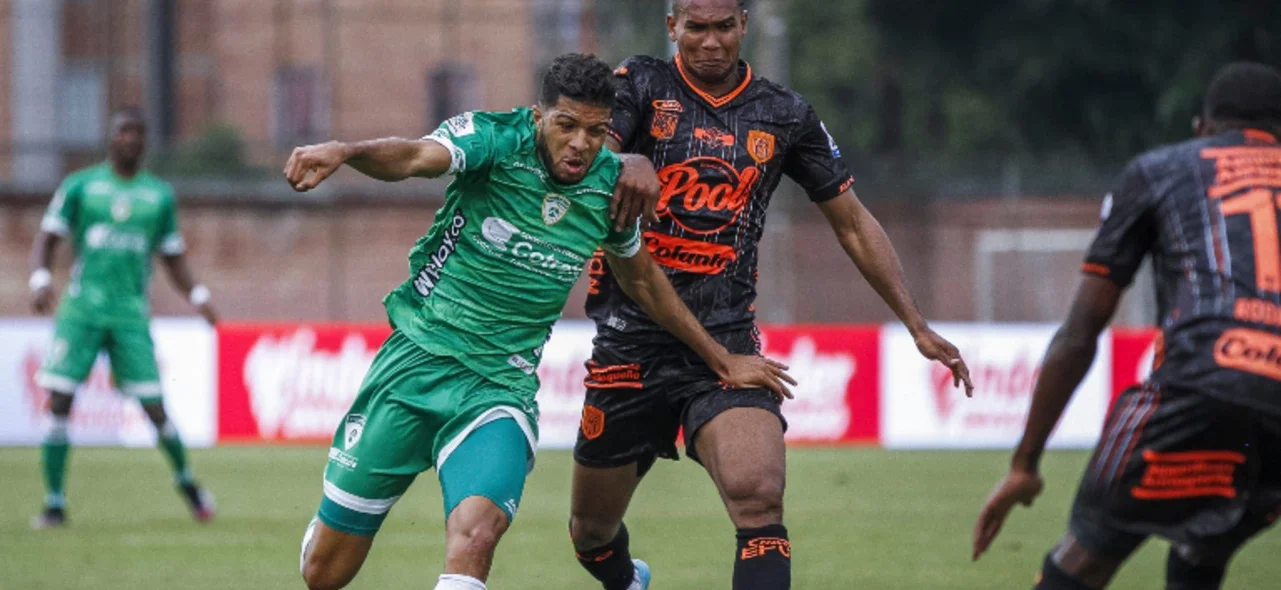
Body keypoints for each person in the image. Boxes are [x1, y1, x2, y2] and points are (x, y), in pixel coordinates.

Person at [283, 53, 795, 590]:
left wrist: (721, 359)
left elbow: (643, 281)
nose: (580, 144)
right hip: (414, 365)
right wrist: (345, 152)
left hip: (498, 388)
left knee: (477, 535)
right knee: (324, 574)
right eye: (566, 125)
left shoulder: (608, 188)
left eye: (595, 131)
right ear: (538, 116)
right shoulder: (494, 140)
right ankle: (325, 532)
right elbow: (414, 156)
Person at [568, 1, 974, 589]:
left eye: (723, 27)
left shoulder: (784, 114)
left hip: (727, 346)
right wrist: (626, 159)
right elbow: (586, 158)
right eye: (696, 28)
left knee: (758, 498)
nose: (711, 42)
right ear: (672, 27)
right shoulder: (640, 83)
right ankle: (629, 581)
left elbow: (852, 223)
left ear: (744, 25)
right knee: (590, 533)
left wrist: (916, 323)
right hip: (629, 344)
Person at [973, 61, 1281, 589]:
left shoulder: (1162, 170)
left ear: (1202, 128)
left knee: (1084, 558)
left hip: (1200, 383)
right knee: (1204, 549)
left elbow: (1079, 334)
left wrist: (1025, 463)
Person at [28, 106, 219, 529]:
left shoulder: (158, 196)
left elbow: (173, 256)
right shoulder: (81, 186)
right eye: (122, 131)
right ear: (110, 137)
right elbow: (48, 237)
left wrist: (198, 295)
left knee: (154, 408)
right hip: (81, 311)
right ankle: (54, 502)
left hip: (130, 315)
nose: (129, 138)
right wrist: (40, 278)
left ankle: (188, 485)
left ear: (144, 141)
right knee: (60, 400)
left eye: (137, 132)